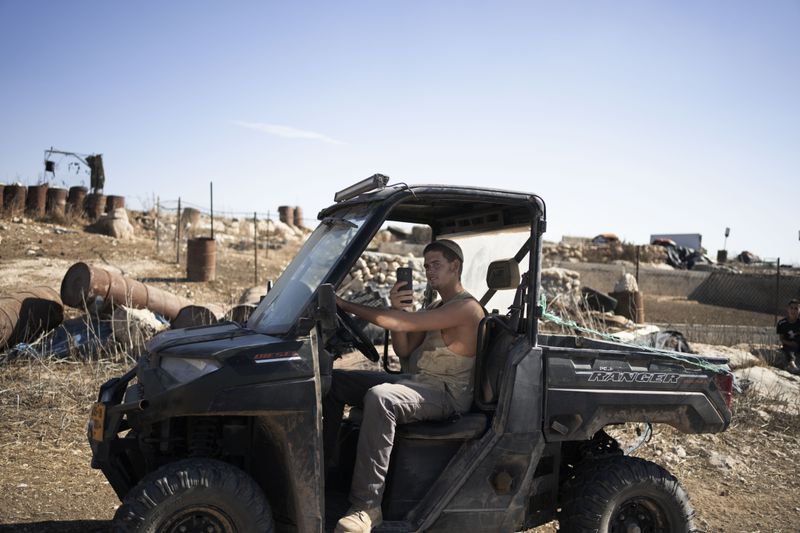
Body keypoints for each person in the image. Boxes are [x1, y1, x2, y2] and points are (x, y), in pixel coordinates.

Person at [323, 239, 485, 533]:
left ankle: (366, 507)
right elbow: (404, 350)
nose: (429, 271)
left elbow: (399, 326)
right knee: (336, 382)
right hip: (418, 382)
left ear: (455, 266)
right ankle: (324, 469)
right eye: (426, 266)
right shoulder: (436, 306)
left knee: (381, 397)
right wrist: (401, 310)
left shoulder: (468, 309)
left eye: (436, 264)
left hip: (446, 394)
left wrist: (345, 304)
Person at [777, 298, 800, 374]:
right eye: (791, 308)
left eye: (796, 308)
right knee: (790, 352)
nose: (793, 311)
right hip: (789, 345)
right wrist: (791, 344)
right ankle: (793, 367)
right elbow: (781, 338)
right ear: (788, 309)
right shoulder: (782, 323)